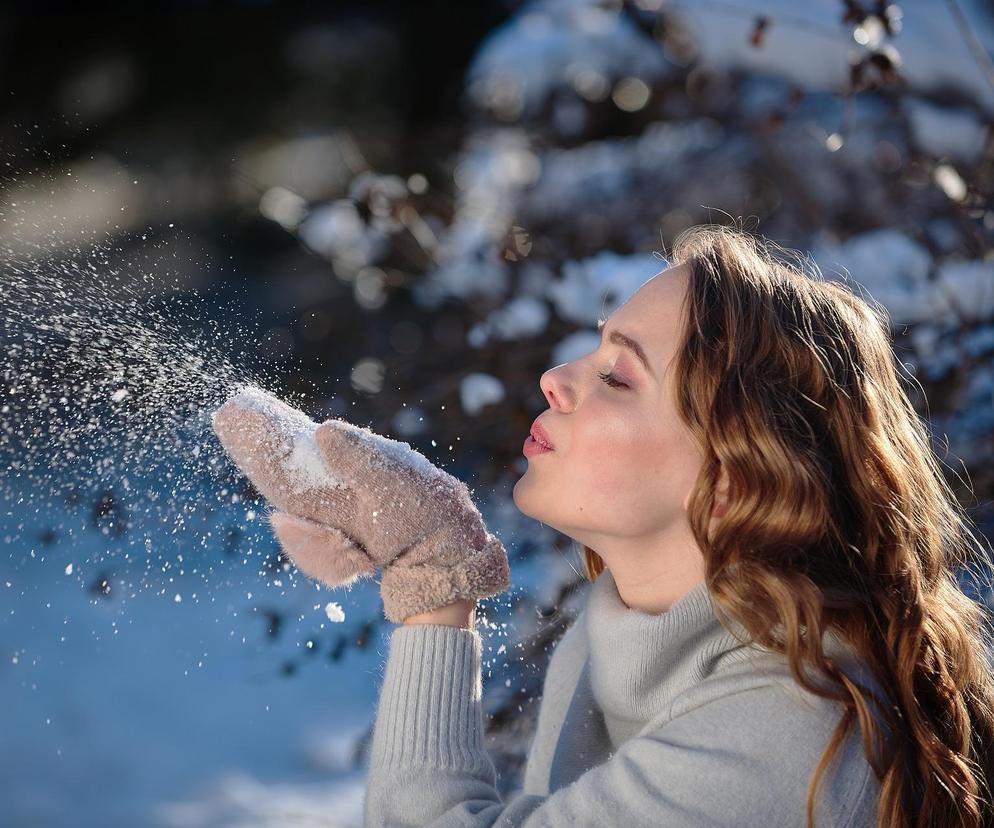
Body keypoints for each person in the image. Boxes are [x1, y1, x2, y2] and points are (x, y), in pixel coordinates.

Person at [212, 223, 994, 827]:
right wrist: (430, 563)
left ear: (733, 478)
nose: (557, 379)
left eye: (619, 374)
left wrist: (435, 578)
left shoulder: (791, 730)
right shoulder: (622, 629)